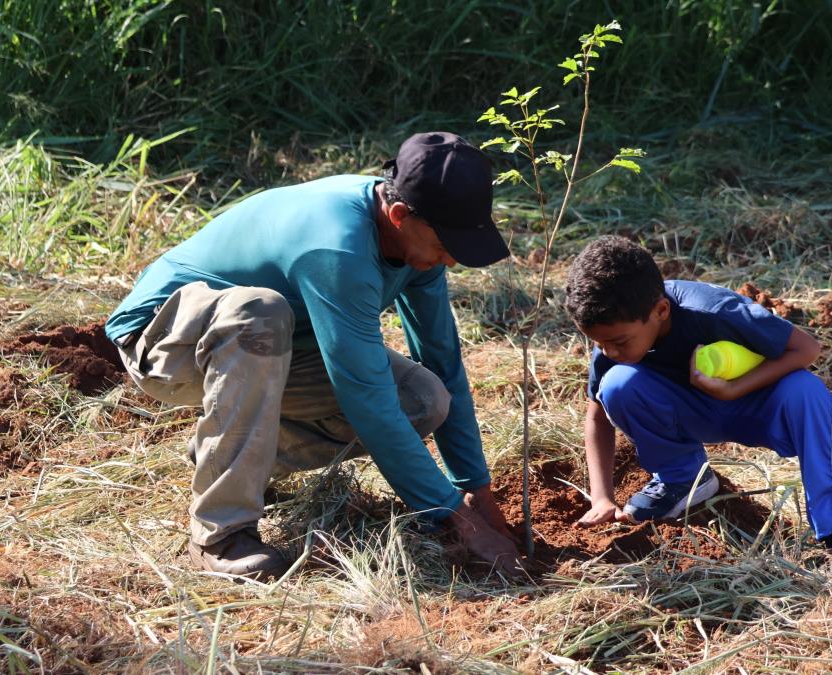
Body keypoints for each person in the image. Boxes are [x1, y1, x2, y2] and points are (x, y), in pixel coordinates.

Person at [105, 132, 522, 580]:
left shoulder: (416, 248)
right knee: (258, 313)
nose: (452, 263)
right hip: (166, 337)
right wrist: (454, 518)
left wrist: (474, 490)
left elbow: (442, 361)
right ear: (399, 215)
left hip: (274, 349)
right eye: (445, 247)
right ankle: (221, 535)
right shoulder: (338, 247)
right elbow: (366, 401)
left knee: (424, 399)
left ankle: (226, 459)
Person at [565, 235, 832, 578]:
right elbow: (597, 416)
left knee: (808, 392)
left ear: (660, 311)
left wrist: (734, 390)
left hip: (755, 405)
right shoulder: (612, 337)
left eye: (618, 342)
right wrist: (601, 497)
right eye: (598, 343)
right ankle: (683, 479)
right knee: (617, 385)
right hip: (692, 412)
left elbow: (807, 349)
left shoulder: (713, 310)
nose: (608, 352)